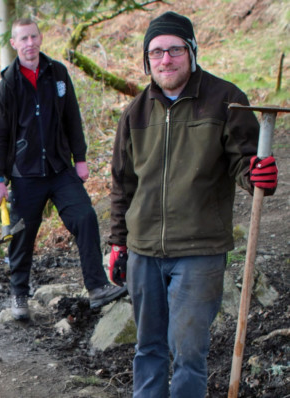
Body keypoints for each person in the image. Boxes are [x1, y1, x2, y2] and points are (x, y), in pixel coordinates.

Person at [108, 11, 278, 398]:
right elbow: (123, 183)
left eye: (174, 50)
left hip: (199, 251)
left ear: (192, 52)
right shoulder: (134, 113)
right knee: (147, 348)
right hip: (144, 250)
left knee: (188, 352)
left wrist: (257, 176)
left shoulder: (227, 101)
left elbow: (245, 160)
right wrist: (118, 243)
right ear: (146, 59)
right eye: (155, 53)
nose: (165, 59)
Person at [0, 18, 127, 319]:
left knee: (86, 218)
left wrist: (80, 159)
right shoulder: (8, 85)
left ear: (40, 38)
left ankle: (97, 288)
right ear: (13, 44)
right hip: (24, 174)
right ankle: (19, 297)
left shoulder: (58, 74)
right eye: (22, 39)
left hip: (60, 168)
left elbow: (72, 118)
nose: (30, 43)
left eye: (33, 37)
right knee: (22, 236)